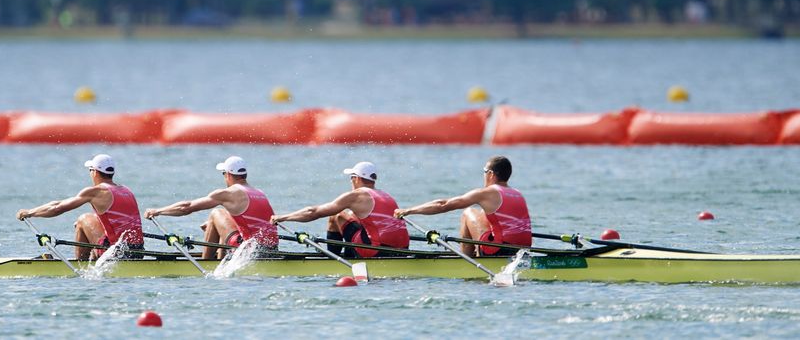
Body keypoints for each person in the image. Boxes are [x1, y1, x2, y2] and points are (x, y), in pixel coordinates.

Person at [144, 155, 278, 259]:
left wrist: (158, 211)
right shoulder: (259, 192)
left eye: (223, 174)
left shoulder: (228, 193)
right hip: (271, 249)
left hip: (252, 251)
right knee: (220, 215)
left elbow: (186, 207)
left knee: (216, 213)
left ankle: (207, 264)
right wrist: (213, 226)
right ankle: (221, 258)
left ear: (228, 174)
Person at [394, 155, 531, 256]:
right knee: (484, 215)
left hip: (500, 250)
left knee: (469, 212)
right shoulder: (518, 194)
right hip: (523, 250)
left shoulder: (487, 193)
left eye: (484, 171)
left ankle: (466, 259)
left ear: (490, 174)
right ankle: (477, 253)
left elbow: (444, 205)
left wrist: (409, 210)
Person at [16, 153, 144, 260]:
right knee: (93, 218)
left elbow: (58, 208)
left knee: (83, 220)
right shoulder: (126, 190)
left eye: (90, 170)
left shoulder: (96, 192)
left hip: (118, 253)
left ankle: (81, 265)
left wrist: (30, 212)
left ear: (95, 172)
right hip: (138, 251)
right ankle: (94, 256)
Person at [270, 161, 410, 258]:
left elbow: (313, 213)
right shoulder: (386, 195)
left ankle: (333, 259)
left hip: (377, 252)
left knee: (336, 216)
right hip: (403, 250)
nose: (350, 181)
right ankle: (351, 253)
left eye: (351, 178)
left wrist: (283, 217)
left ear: (356, 178)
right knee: (355, 219)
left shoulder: (356, 195)